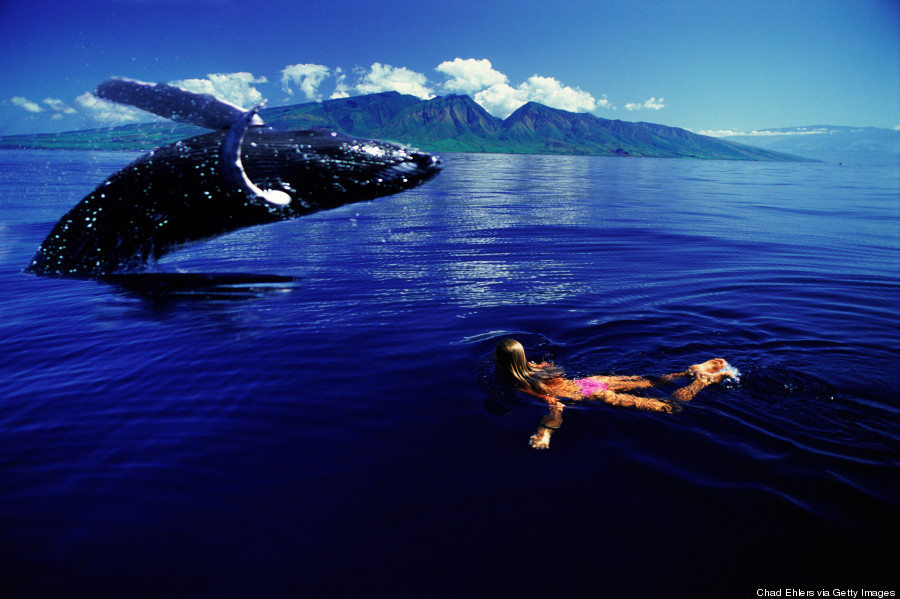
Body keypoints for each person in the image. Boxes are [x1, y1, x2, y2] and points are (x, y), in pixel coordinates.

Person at [493, 338, 738, 450]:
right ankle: (687, 373)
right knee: (649, 381)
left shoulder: (521, 384)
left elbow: (556, 405)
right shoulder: (538, 367)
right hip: (591, 382)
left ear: (503, 362)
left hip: (594, 395)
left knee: (670, 407)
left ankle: (702, 381)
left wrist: (544, 433)